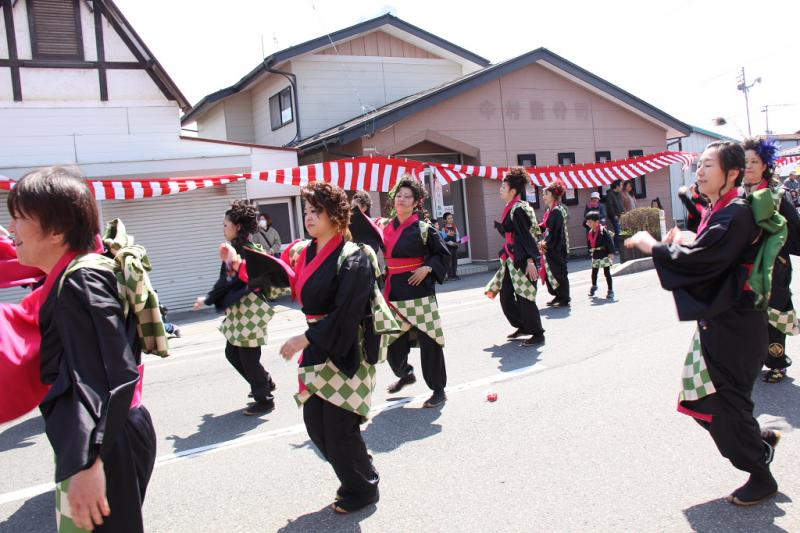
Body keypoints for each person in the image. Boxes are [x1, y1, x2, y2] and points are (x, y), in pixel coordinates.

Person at [626, 140, 785, 506]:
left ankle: (761, 475)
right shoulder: (723, 209)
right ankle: (755, 441)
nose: (699, 171)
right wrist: (684, 239)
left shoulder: (737, 213)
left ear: (731, 174)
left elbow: (701, 260)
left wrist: (653, 245)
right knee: (700, 399)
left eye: (708, 165)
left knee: (726, 407)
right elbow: (710, 252)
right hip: (721, 324)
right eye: (698, 164)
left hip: (736, 329)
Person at [7, 166, 157, 531]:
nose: (11, 230)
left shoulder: (82, 279)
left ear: (57, 230)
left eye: (19, 218)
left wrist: (91, 461)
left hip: (107, 440)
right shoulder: (74, 273)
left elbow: (110, 374)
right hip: (104, 437)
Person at [280, 181, 397, 514]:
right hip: (318, 343)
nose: (309, 217)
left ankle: (362, 488)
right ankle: (359, 468)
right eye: (306, 211)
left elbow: (348, 312)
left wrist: (306, 338)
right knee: (315, 424)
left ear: (336, 216)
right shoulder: (306, 252)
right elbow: (280, 274)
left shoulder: (356, 256)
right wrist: (235, 261)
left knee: (338, 427)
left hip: (347, 348)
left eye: (316, 211)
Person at [193, 200, 280, 416]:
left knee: (248, 358)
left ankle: (264, 399)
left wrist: (208, 299)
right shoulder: (238, 249)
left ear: (237, 227)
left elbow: (231, 281)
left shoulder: (244, 250)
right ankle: (264, 382)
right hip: (241, 312)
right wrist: (212, 297)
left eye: (225, 225)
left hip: (250, 311)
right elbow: (228, 280)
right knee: (233, 353)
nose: (223, 228)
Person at [379, 176, 450, 408]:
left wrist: (428, 267)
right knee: (390, 341)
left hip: (418, 290)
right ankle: (405, 373)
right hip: (393, 291)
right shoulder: (385, 226)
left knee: (430, 341)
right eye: (399, 195)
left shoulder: (424, 228)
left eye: (407, 196)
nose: (401, 199)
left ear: (416, 202)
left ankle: (438, 390)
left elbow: (442, 254)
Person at [742, 138, 800, 383]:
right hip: (743, 268)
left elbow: (795, 230)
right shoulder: (736, 194)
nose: (749, 166)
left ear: (765, 164)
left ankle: (777, 362)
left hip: (774, 266)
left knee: (774, 314)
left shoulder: (777, 196)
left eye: (754, 161)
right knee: (747, 316)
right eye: (745, 161)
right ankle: (752, 361)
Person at [484, 167, 545, 346]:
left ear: (513, 191)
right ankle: (523, 325)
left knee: (525, 297)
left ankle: (537, 333)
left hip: (523, 260)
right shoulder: (513, 207)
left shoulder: (518, 209)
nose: (500, 189)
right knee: (506, 296)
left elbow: (526, 237)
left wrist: (530, 261)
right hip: (512, 258)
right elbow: (515, 234)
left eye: (504, 187)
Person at [539, 180, 571, 307]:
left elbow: (555, 232)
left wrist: (544, 243)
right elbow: (546, 226)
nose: (543, 197)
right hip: (552, 245)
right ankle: (558, 295)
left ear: (552, 195)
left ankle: (564, 298)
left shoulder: (557, 210)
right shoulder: (550, 210)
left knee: (559, 272)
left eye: (545, 194)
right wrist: (535, 228)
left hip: (557, 246)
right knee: (551, 271)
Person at [585, 210, 615, 299]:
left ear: (597, 222)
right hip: (595, 254)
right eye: (587, 222)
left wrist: (611, 253)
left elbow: (610, 242)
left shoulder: (603, 230)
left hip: (604, 254)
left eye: (590, 222)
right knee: (594, 273)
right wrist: (590, 250)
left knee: (607, 273)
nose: (588, 223)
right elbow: (589, 243)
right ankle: (594, 286)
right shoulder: (590, 232)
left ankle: (610, 290)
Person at [349, 190, 384, 256]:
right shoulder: (375, 224)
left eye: (355, 206)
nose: (352, 209)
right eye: (352, 206)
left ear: (364, 207)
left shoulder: (376, 224)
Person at [440, 212, 461, 281]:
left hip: (455, 247)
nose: (451, 219)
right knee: (449, 262)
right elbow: (444, 240)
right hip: (448, 248)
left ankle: (454, 274)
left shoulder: (455, 227)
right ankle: (450, 276)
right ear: (445, 220)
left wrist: (458, 242)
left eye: (451, 218)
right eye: (449, 218)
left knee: (455, 261)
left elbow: (457, 236)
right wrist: (453, 243)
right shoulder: (444, 229)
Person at [606, 180, 624, 252]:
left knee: (621, 231)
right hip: (615, 217)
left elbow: (621, 205)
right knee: (618, 231)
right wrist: (614, 215)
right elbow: (610, 206)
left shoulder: (619, 194)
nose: (622, 187)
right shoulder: (610, 194)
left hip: (621, 215)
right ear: (617, 186)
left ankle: (619, 247)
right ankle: (616, 248)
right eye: (621, 185)